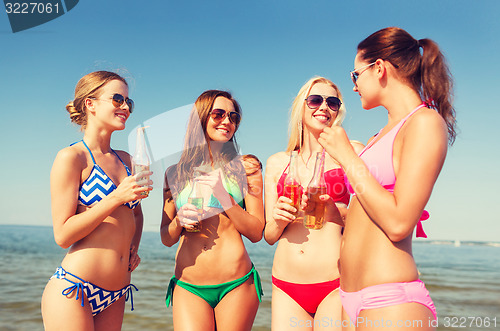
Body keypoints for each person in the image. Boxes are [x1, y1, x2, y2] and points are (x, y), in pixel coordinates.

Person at [316, 27, 457, 330]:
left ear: (378, 68)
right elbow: (371, 210)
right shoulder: (378, 135)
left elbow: (398, 223)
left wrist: (347, 156)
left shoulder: (424, 123)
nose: (353, 87)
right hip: (348, 300)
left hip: (389, 302)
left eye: (355, 75)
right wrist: (337, 213)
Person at [41, 71, 153, 330]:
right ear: (90, 103)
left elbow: (136, 213)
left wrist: (133, 247)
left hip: (116, 294)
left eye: (129, 102)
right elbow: (63, 234)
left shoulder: (126, 160)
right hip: (75, 289)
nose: (125, 107)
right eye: (117, 99)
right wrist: (116, 197)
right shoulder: (72, 157)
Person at [264, 77, 364, 330]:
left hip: (335, 280)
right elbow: (269, 235)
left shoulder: (352, 151)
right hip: (286, 284)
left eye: (332, 102)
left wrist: (334, 210)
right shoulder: (278, 162)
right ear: (301, 106)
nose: (324, 107)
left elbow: (369, 220)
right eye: (315, 100)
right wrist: (278, 219)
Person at [161, 90, 265, 331]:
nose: (227, 121)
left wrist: (225, 198)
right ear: (201, 119)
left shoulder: (247, 167)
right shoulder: (174, 173)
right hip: (188, 284)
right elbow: (166, 237)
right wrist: (178, 222)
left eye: (233, 116)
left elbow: (256, 231)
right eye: (218, 114)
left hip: (235, 283)